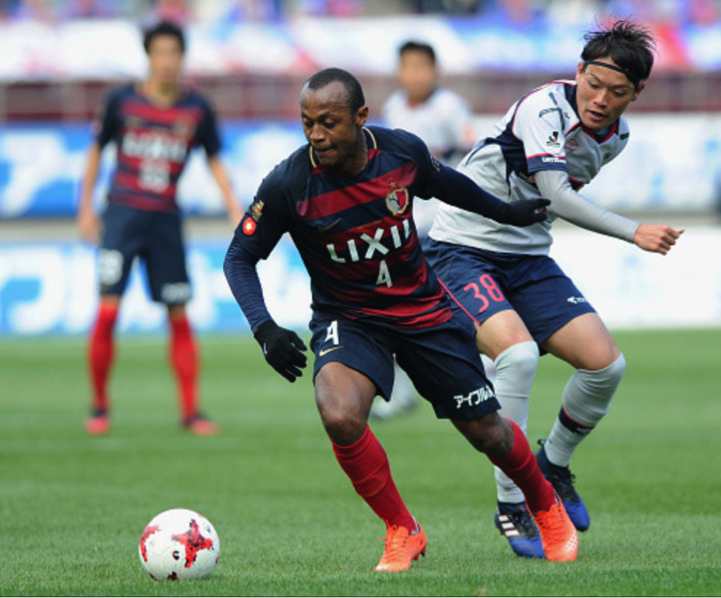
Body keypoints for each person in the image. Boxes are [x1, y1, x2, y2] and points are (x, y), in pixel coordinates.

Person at [223, 67, 579, 571]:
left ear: (361, 117)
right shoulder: (288, 183)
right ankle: (401, 529)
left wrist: (506, 213)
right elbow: (239, 256)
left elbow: (446, 184)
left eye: (329, 122)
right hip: (349, 316)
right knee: (340, 414)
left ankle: (545, 504)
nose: (317, 135)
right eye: (307, 123)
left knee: (488, 433)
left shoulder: (399, 152)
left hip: (424, 309)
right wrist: (263, 328)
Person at [423, 20, 685, 559]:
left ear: (637, 94)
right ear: (578, 74)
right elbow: (557, 196)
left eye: (616, 92)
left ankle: (554, 464)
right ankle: (513, 502)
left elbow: (548, 205)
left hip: (526, 258)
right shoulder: (544, 108)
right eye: (593, 84)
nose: (600, 99)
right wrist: (633, 230)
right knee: (517, 356)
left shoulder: (618, 138)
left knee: (606, 365)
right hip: (461, 248)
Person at [77, 21, 242, 436]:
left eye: (173, 53)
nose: (166, 61)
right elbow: (96, 152)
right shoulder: (121, 101)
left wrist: (233, 208)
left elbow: (215, 160)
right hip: (121, 217)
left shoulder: (196, 109)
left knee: (179, 313)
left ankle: (190, 411)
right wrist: (85, 209)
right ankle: (99, 406)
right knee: (109, 309)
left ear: (181, 58)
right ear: (148, 56)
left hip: (166, 220)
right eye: (159, 52)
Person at [374, 39, 477, 421]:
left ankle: (487, 378)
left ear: (435, 71)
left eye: (421, 67)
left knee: (458, 305)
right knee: (394, 308)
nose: (414, 75)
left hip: (444, 228)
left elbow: (471, 156)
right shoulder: (394, 108)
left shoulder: (450, 108)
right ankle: (400, 393)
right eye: (407, 67)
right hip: (405, 228)